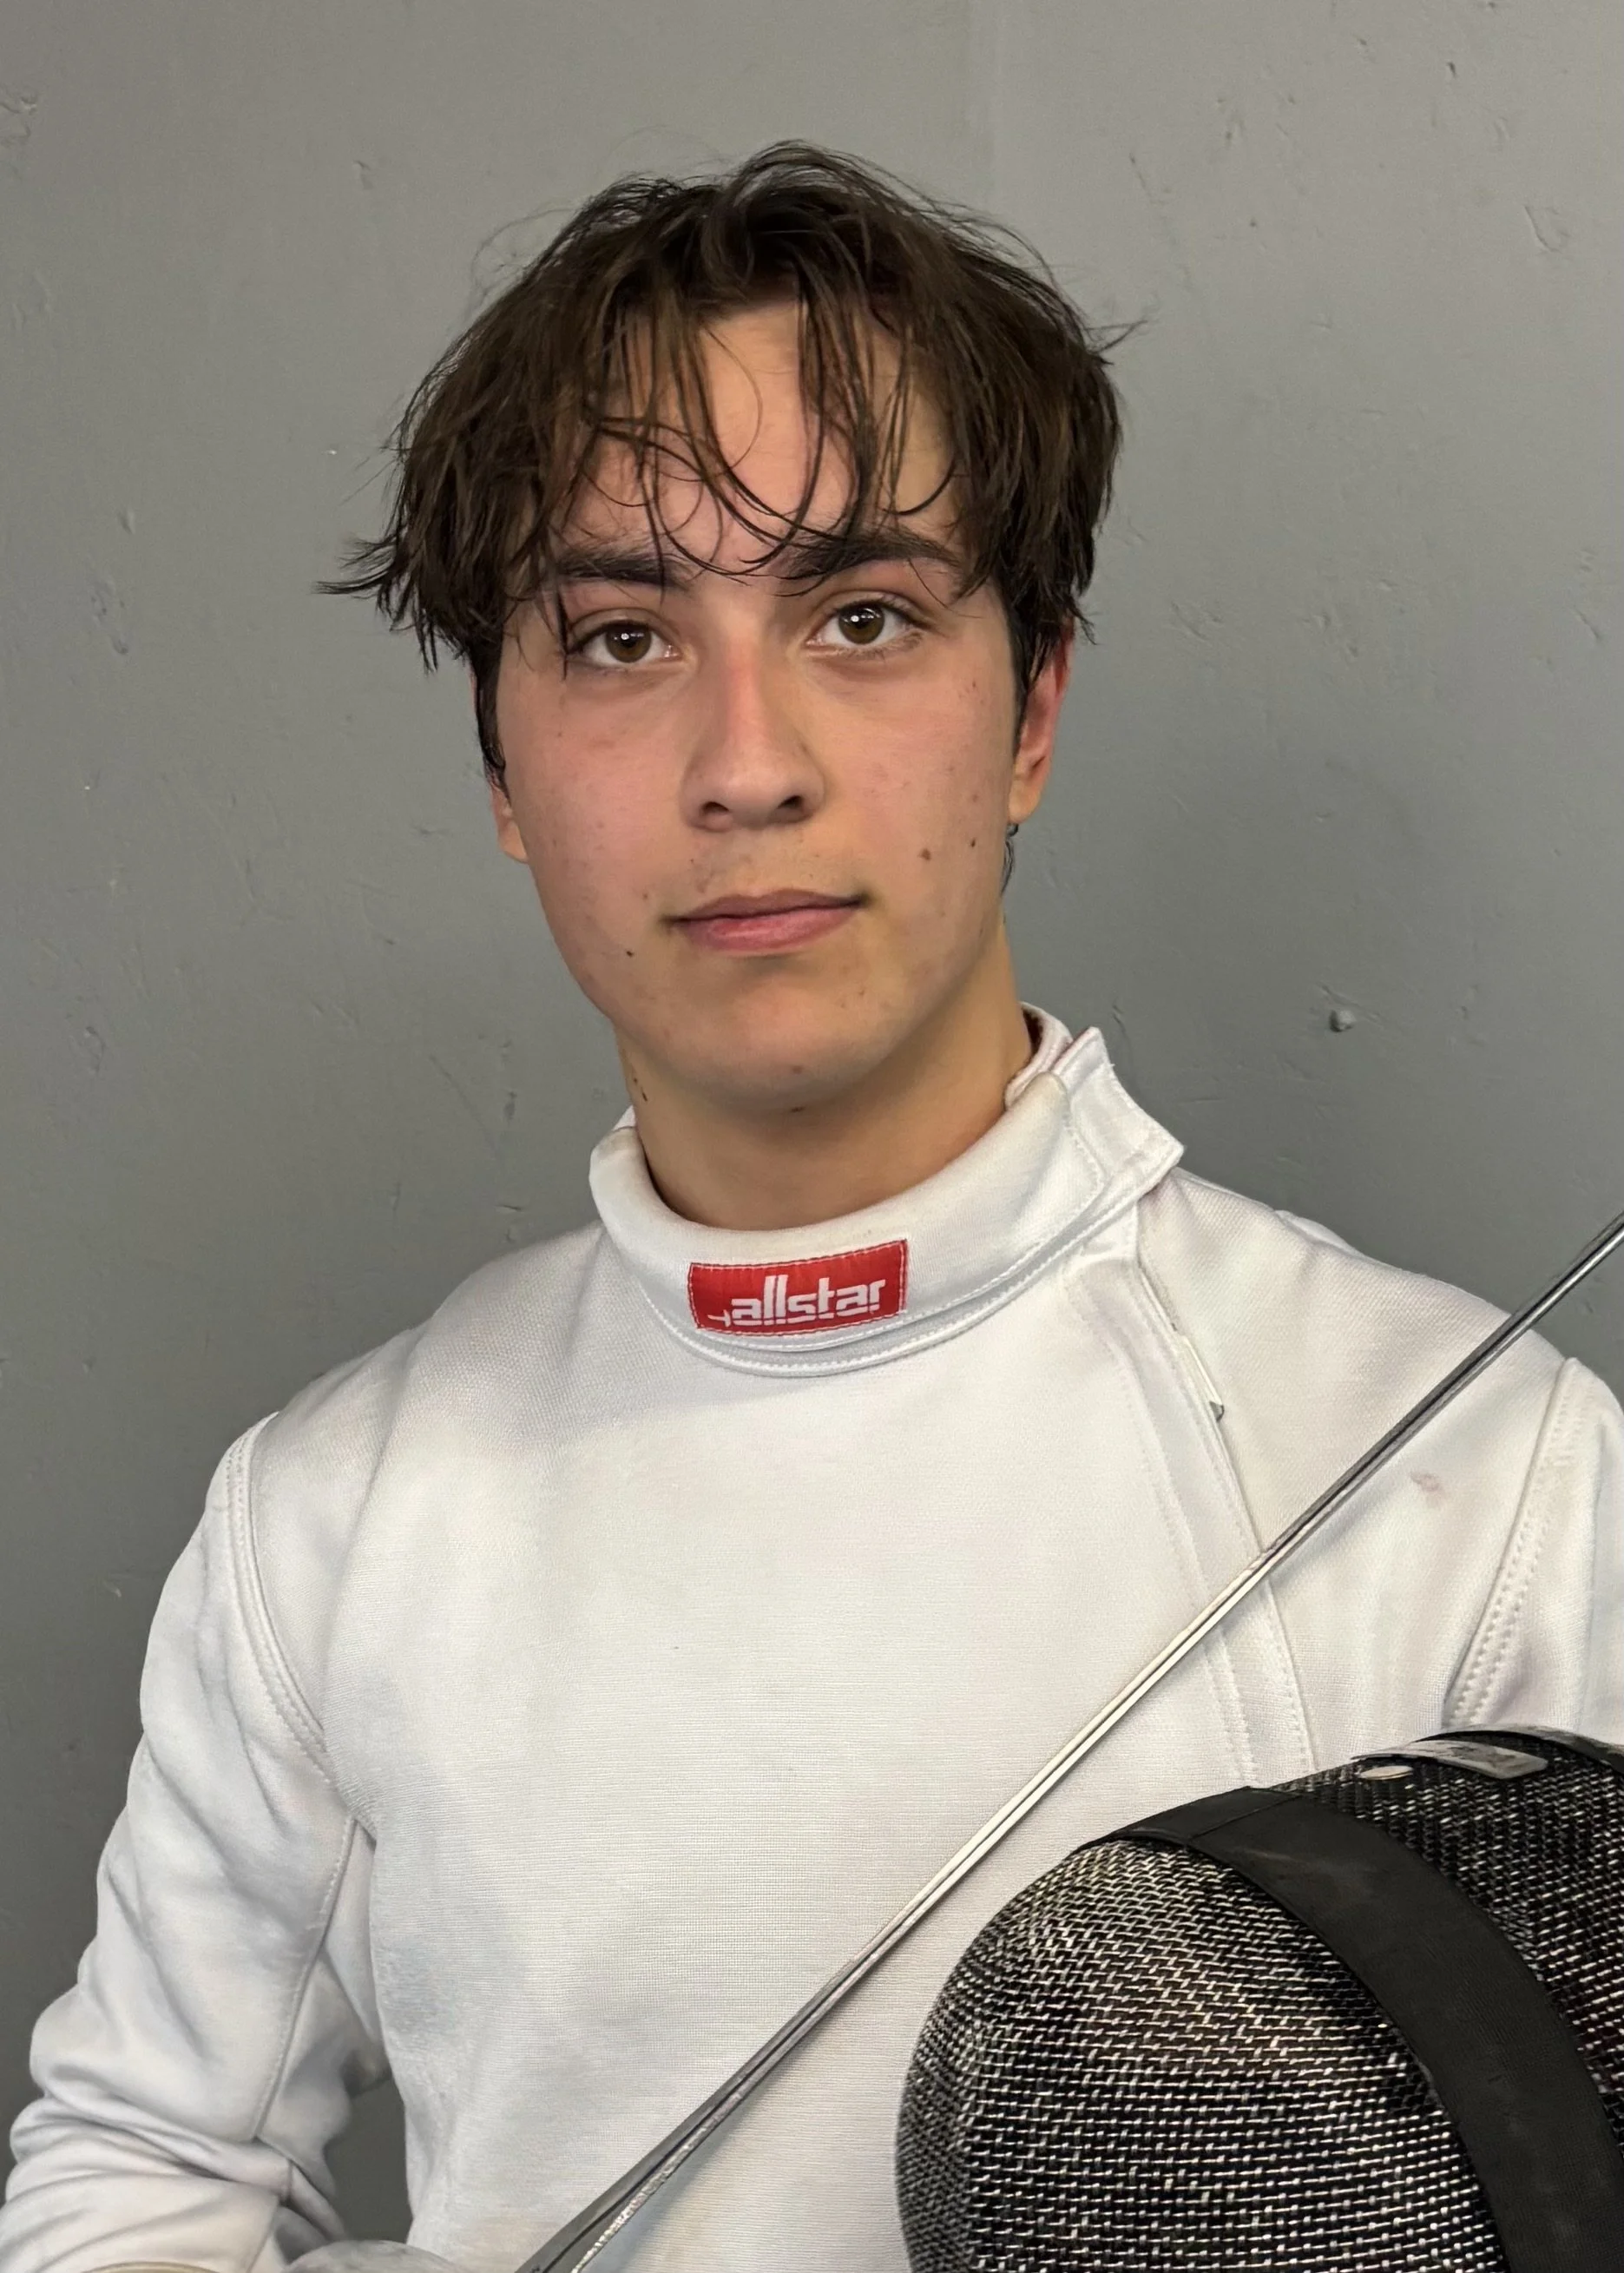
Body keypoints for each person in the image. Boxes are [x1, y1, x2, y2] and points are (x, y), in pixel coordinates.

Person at [2, 142, 1619, 2273]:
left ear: (1028, 706)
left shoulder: (1476, 1478)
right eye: (616, 635)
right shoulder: (329, 1519)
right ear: (500, 769)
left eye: (861, 617)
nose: (744, 761)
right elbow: (135, 2177)